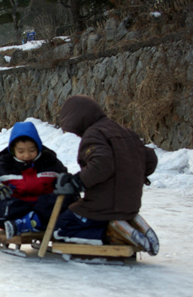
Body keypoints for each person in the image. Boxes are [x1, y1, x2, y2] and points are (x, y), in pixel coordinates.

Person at [52, 95, 160, 255]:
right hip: (130, 204)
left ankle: (111, 234)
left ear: (77, 118)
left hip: (103, 204)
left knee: (61, 227)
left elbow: (101, 165)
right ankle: (127, 223)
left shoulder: (94, 134)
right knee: (89, 216)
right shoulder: (124, 131)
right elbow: (150, 158)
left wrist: (76, 183)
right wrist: (131, 172)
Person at [0, 121, 77, 239]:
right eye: (21, 151)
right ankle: (26, 223)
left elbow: (67, 182)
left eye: (31, 150)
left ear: (38, 147)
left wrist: (65, 184)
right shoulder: (2, 167)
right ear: (12, 150)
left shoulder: (51, 164)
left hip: (45, 210)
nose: (27, 155)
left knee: (67, 198)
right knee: (1, 205)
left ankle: (32, 222)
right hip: (17, 212)